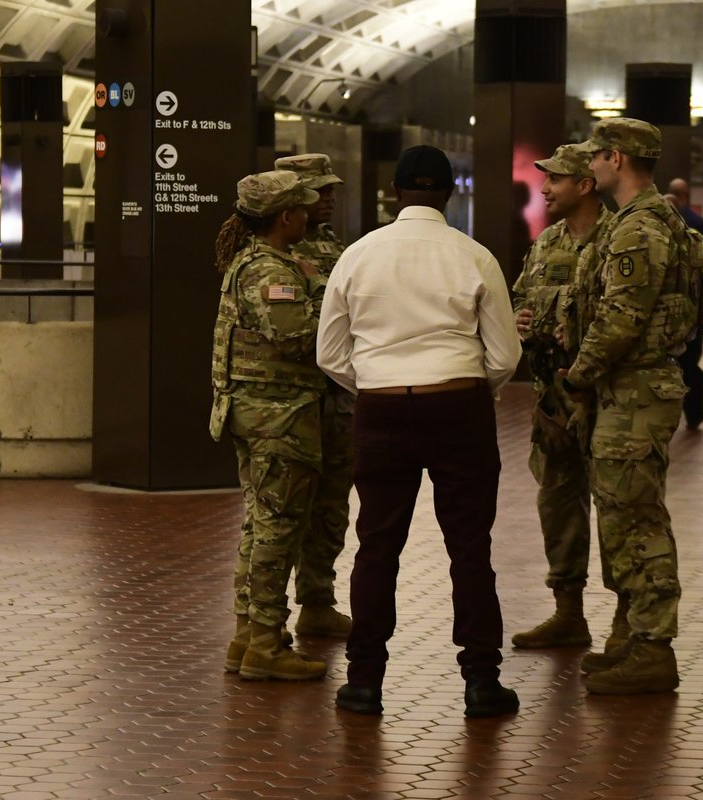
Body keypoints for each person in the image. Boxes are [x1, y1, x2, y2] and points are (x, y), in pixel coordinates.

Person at [316, 145, 523, 717]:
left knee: (377, 547)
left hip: (381, 410)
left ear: (394, 193)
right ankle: (481, 681)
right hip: (459, 408)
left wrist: (375, 383)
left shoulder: (357, 256)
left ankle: (364, 682)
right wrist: (469, 387)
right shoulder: (475, 256)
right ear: (450, 193)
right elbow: (505, 355)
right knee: (469, 548)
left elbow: (329, 353)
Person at [566, 118, 699, 694]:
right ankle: (632, 637)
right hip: (631, 388)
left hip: (635, 389)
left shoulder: (639, 227)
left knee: (638, 519)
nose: (590, 166)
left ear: (616, 159)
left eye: (595, 157)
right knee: (622, 514)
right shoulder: (644, 219)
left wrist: (579, 374)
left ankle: (652, 647)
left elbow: (622, 318)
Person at [209, 170, 329, 681]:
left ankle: (248, 635)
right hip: (278, 418)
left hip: (259, 414)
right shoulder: (269, 271)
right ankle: (265, 644)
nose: (308, 213)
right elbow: (297, 336)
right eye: (302, 207)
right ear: (285, 217)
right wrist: (325, 291)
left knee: (259, 525)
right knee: (278, 529)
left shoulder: (255, 261)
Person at [509, 143, 612, 650]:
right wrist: (519, 319)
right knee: (558, 503)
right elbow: (519, 297)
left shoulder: (617, 239)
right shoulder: (548, 242)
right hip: (554, 399)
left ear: (585, 185)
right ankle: (568, 612)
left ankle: (630, 624)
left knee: (617, 508)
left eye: (555, 180)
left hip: (606, 398)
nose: (545, 189)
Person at [275, 153, 353, 638]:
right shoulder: (271, 248)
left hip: (334, 397)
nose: (329, 198)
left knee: (330, 506)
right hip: (289, 401)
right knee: (281, 510)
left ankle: (317, 599)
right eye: (319, 191)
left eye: (330, 190)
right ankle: (266, 616)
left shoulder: (330, 244)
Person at [667, 177, 703, 430]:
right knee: (690, 365)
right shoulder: (696, 228)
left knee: (683, 366)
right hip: (694, 313)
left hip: (678, 317)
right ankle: (694, 413)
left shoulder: (658, 238)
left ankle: (684, 414)